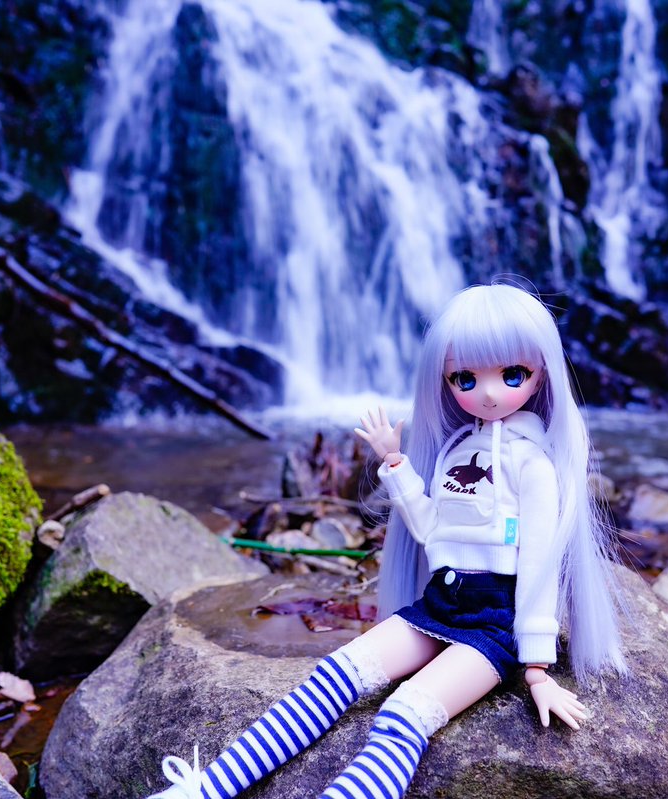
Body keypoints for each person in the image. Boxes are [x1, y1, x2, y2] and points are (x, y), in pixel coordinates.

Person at [148, 283, 627, 799]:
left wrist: (536, 668)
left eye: (512, 375)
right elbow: (431, 530)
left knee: (404, 713)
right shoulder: (456, 451)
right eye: (465, 378)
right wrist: (395, 464)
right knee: (334, 675)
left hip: (495, 624)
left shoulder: (534, 465)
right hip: (441, 603)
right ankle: (206, 788)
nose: (488, 393)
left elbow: (538, 565)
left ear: (541, 374)